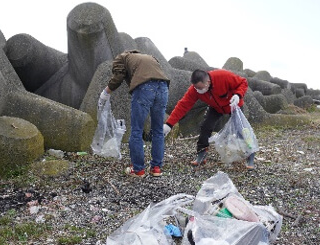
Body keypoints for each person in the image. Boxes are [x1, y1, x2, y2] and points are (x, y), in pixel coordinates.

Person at [162, 69, 255, 169]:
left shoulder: (222, 76)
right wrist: (169, 124)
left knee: (241, 129)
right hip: (215, 108)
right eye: (196, 87)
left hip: (233, 104)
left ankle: (250, 155)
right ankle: (202, 153)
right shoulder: (195, 90)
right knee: (205, 127)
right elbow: (183, 105)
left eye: (200, 88)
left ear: (208, 82)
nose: (198, 90)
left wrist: (238, 95)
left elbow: (243, 82)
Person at [99, 50, 170, 178]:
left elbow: (118, 77)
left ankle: (138, 170)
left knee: (137, 129)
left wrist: (106, 91)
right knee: (158, 130)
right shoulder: (149, 56)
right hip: (163, 87)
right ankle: (156, 168)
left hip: (144, 87)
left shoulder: (121, 58)